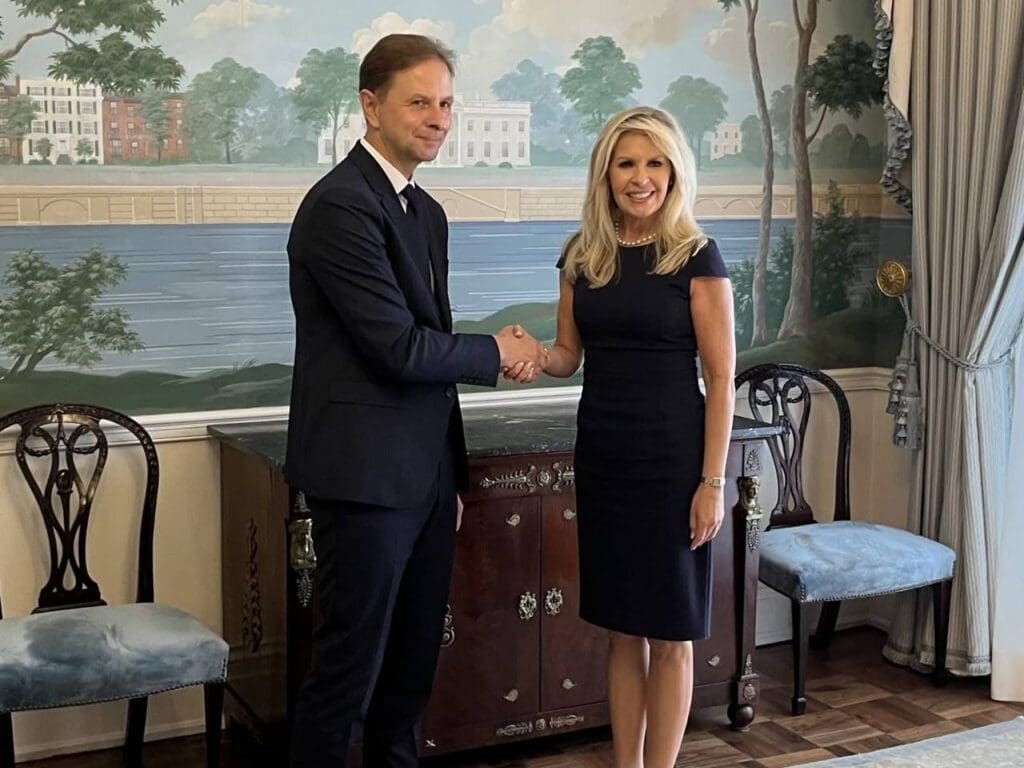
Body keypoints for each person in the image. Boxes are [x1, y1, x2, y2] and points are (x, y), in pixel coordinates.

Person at [284, 33, 545, 768]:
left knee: (410, 671)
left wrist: (446, 479)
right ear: (371, 106)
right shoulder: (340, 206)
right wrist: (497, 350)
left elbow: (427, 350)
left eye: (447, 104)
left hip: (423, 480)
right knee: (347, 676)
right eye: (420, 102)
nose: (438, 119)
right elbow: (397, 348)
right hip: (363, 481)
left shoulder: (424, 211)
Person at [517, 106, 735, 768]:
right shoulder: (582, 256)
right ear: (605, 174)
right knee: (620, 632)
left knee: (670, 635)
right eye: (627, 163)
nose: (641, 178)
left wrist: (712, 482)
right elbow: (568, 355)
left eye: (655, 163)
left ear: (674, 172)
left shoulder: (696, 255)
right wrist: (528, 354)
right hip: (604, 460)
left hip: (673, 465)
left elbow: (721, 379)